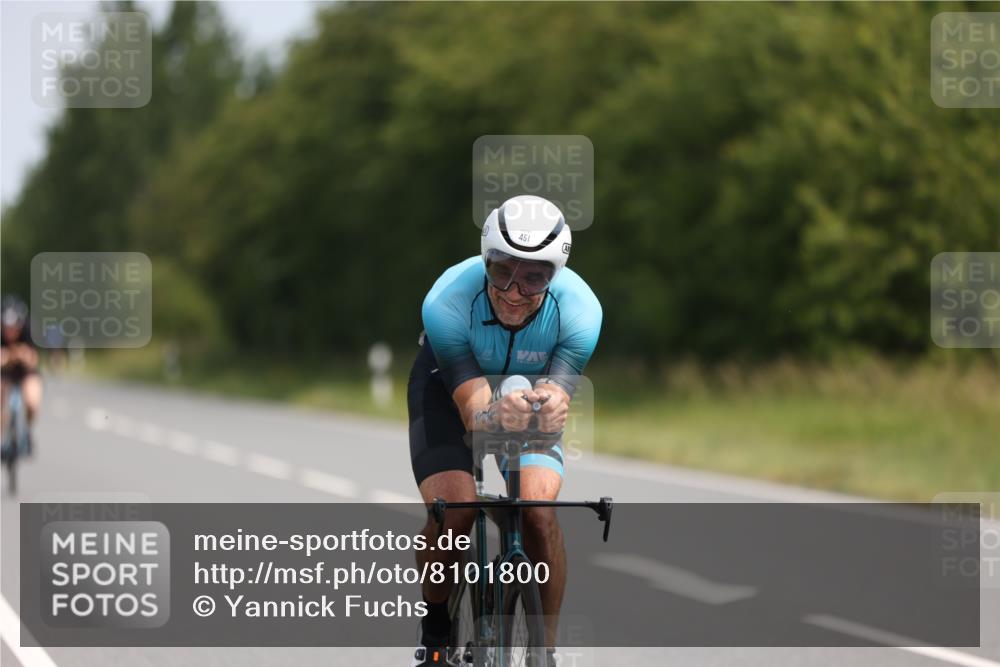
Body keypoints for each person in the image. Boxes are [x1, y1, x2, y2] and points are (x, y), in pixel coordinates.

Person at [409, 195, 602, 666]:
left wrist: (554, 404)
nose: (514, 291)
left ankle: (545, 652)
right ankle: (436, 629)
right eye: (501, 272)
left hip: (528, 394)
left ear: (554, 274)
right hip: (448, 391)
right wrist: (497, 415)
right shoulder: (446, 301)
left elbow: (558, 392)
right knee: (453, 513)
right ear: (485, 260)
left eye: (533, 276)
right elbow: (475, 413)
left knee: (538, 513)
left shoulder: (581, 310)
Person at [1, 296, 42, 455]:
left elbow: (33, 359)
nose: (10, 332)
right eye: (6, 328)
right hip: (4, 373)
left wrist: (20, 355)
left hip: (26, 372)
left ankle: (28, 431)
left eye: (13, 328)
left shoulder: (29, 329)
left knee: (32, 401)